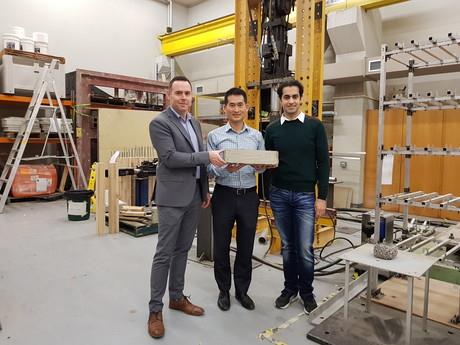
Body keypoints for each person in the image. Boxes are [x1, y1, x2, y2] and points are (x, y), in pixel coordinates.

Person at [147, 76, 226, 339]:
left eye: (187, 93)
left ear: (192, 96)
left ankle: (177, 298)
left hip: (193, 196)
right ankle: (155, 310)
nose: (183, 97)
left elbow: (200, 162)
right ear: (169, 95)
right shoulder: (159, 123)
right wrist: (207, 156)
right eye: (178, 93)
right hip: (172, 198)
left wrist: (204, 190)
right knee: (164, 253)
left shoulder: (194, 122)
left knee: (182, 250)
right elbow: (170, 158)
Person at [264, 79, 329, 313]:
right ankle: (289, 289)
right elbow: (268, 164)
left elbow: (323, 163)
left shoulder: (314, 126)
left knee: (304, 247)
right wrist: (267, 195)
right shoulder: (272, 130)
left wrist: (322, 197)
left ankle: (307, 293)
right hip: (279, 195)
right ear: (280, 100)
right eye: (286, 97)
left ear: (300, 98)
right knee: (288, 245)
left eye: (294, 97)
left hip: (304, 196)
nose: (290, 101)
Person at [207, 87, 265, 312]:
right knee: (221, 245)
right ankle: (224, 290)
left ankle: (242, 291)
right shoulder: (215, 136)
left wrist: (260, 167)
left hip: (249, 196)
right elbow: (210, 168)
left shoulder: (257, 136)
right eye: (232, 105)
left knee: (245, 246)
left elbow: (260, 165)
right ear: (225, 108)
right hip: (224, 195)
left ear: (247, 108)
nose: (236, 109)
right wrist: (226, 170)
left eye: (240, 105)